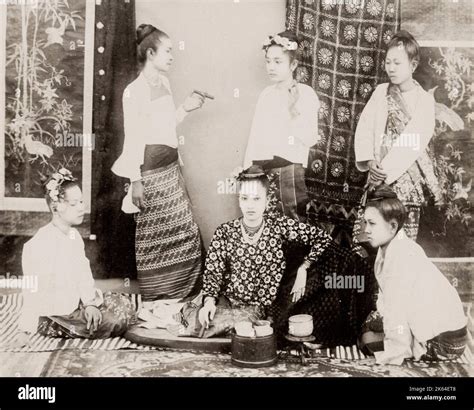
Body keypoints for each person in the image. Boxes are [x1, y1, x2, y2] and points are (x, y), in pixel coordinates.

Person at [186, 166, 374, 346]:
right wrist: (209, 301)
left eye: (256, 199)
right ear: (239, 200)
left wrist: (304, 267)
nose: (250, 206)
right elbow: (213, 272)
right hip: (228, 302)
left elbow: (322, 238)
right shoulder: (225, 232)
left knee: (244, 330)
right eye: (245, 199)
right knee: (203, 322)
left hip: (262, 308)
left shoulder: (279, 226)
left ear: (267, 201)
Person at [112, 24, 207, 304]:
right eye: (167, 51)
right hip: (148, 172)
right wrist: (136, 181)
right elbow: (133, 139)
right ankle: (157, 297)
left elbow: (165, 128)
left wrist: (185, 109)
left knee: (186, 231)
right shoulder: (133, 92)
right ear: (150, 53)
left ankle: (183, 297)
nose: (172, 56)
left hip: (171, 169)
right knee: (154, 239)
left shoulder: (164, 85)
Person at [14, 169, 135, 347]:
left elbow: (82, 273)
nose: (81, 208)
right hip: (55, 315)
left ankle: (92, 311)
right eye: (74, 204)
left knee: (124, 303)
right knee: (114, 320)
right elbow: (32, 290)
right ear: (55, 208)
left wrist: (89, 304)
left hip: (76, 303)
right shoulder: (41, 243)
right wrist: (24, 331)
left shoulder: (74, 235)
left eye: (81, 202)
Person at [359, 185, 467, 365]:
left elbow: (397, 313)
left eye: (372, 223)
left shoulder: (401, 255)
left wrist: (392, 355)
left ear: (393, 226)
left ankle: (413, 349)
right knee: (368, 329)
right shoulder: (397, 245)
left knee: (366, 340)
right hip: (446, 329)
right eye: (365, 223)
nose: (366, 230)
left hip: (445, 342)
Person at [354, 30, 441, 240]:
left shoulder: (424, 101)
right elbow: (365, 127)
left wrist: (384, 172)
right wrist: (370, 161)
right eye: (388, 62)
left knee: (401, 243)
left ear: (413, 65)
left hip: (405, 180)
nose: (390, 68)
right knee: (369, 239)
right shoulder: (381, 92)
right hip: (377, 175)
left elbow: (414, 142)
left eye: (397, 63)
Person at [243, 31, 320, 221]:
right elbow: (255, 135)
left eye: (278, 62)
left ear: (293, 65)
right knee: (266, 223)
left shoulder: (305, 93)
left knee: (292, 221)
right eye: (268, 61)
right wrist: (247, 170)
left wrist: (293, 109)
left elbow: (310, 137)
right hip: (263, 169)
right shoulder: (266, 95)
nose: (271, 67)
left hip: (290, 169)